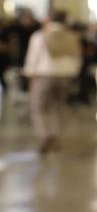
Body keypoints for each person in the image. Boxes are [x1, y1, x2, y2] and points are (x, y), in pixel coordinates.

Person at [22, 10, 81, 154]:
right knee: (58, 107)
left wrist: (29, 73)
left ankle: (44, 136)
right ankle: (55, 136)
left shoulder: (40, 36)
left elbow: (33, 56)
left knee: (39, 108)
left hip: (43, 75)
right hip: (65, 77)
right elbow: (77, 58)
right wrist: (73, 73)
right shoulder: (72, 37)